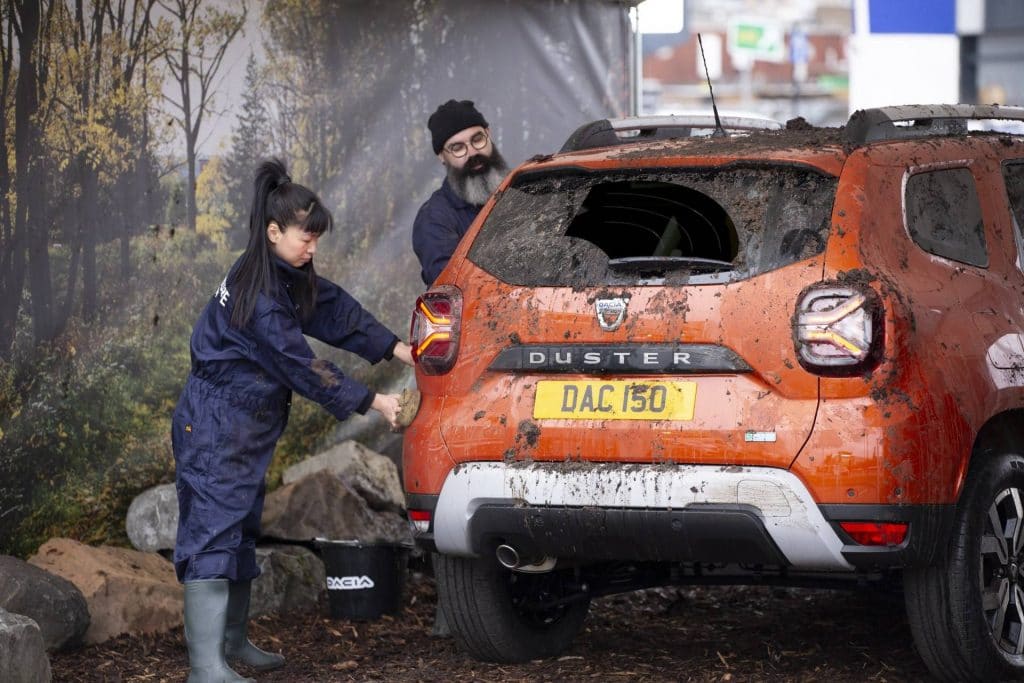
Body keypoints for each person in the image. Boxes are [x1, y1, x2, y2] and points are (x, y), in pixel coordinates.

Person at [171, 158, 414, 682]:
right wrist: (378, 403)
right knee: (213, 531)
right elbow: (300, 366)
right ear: (274, 230)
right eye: (306, 238)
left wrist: (397, 348)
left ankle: (232, 642)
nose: (313, 250)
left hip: (243, 425)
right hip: (215, 422)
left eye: (316, 240)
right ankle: (204, 666)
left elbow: (332, 309)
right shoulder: (259, 296)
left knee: (238, 529)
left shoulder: (281, 269)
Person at [412, 99, 510, 286]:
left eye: (478, 139)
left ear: (488, 134)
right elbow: (455, 288)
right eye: (457, 148)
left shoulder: (521, 193)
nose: (472, 152)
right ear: (442, 156)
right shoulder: (434, 220)